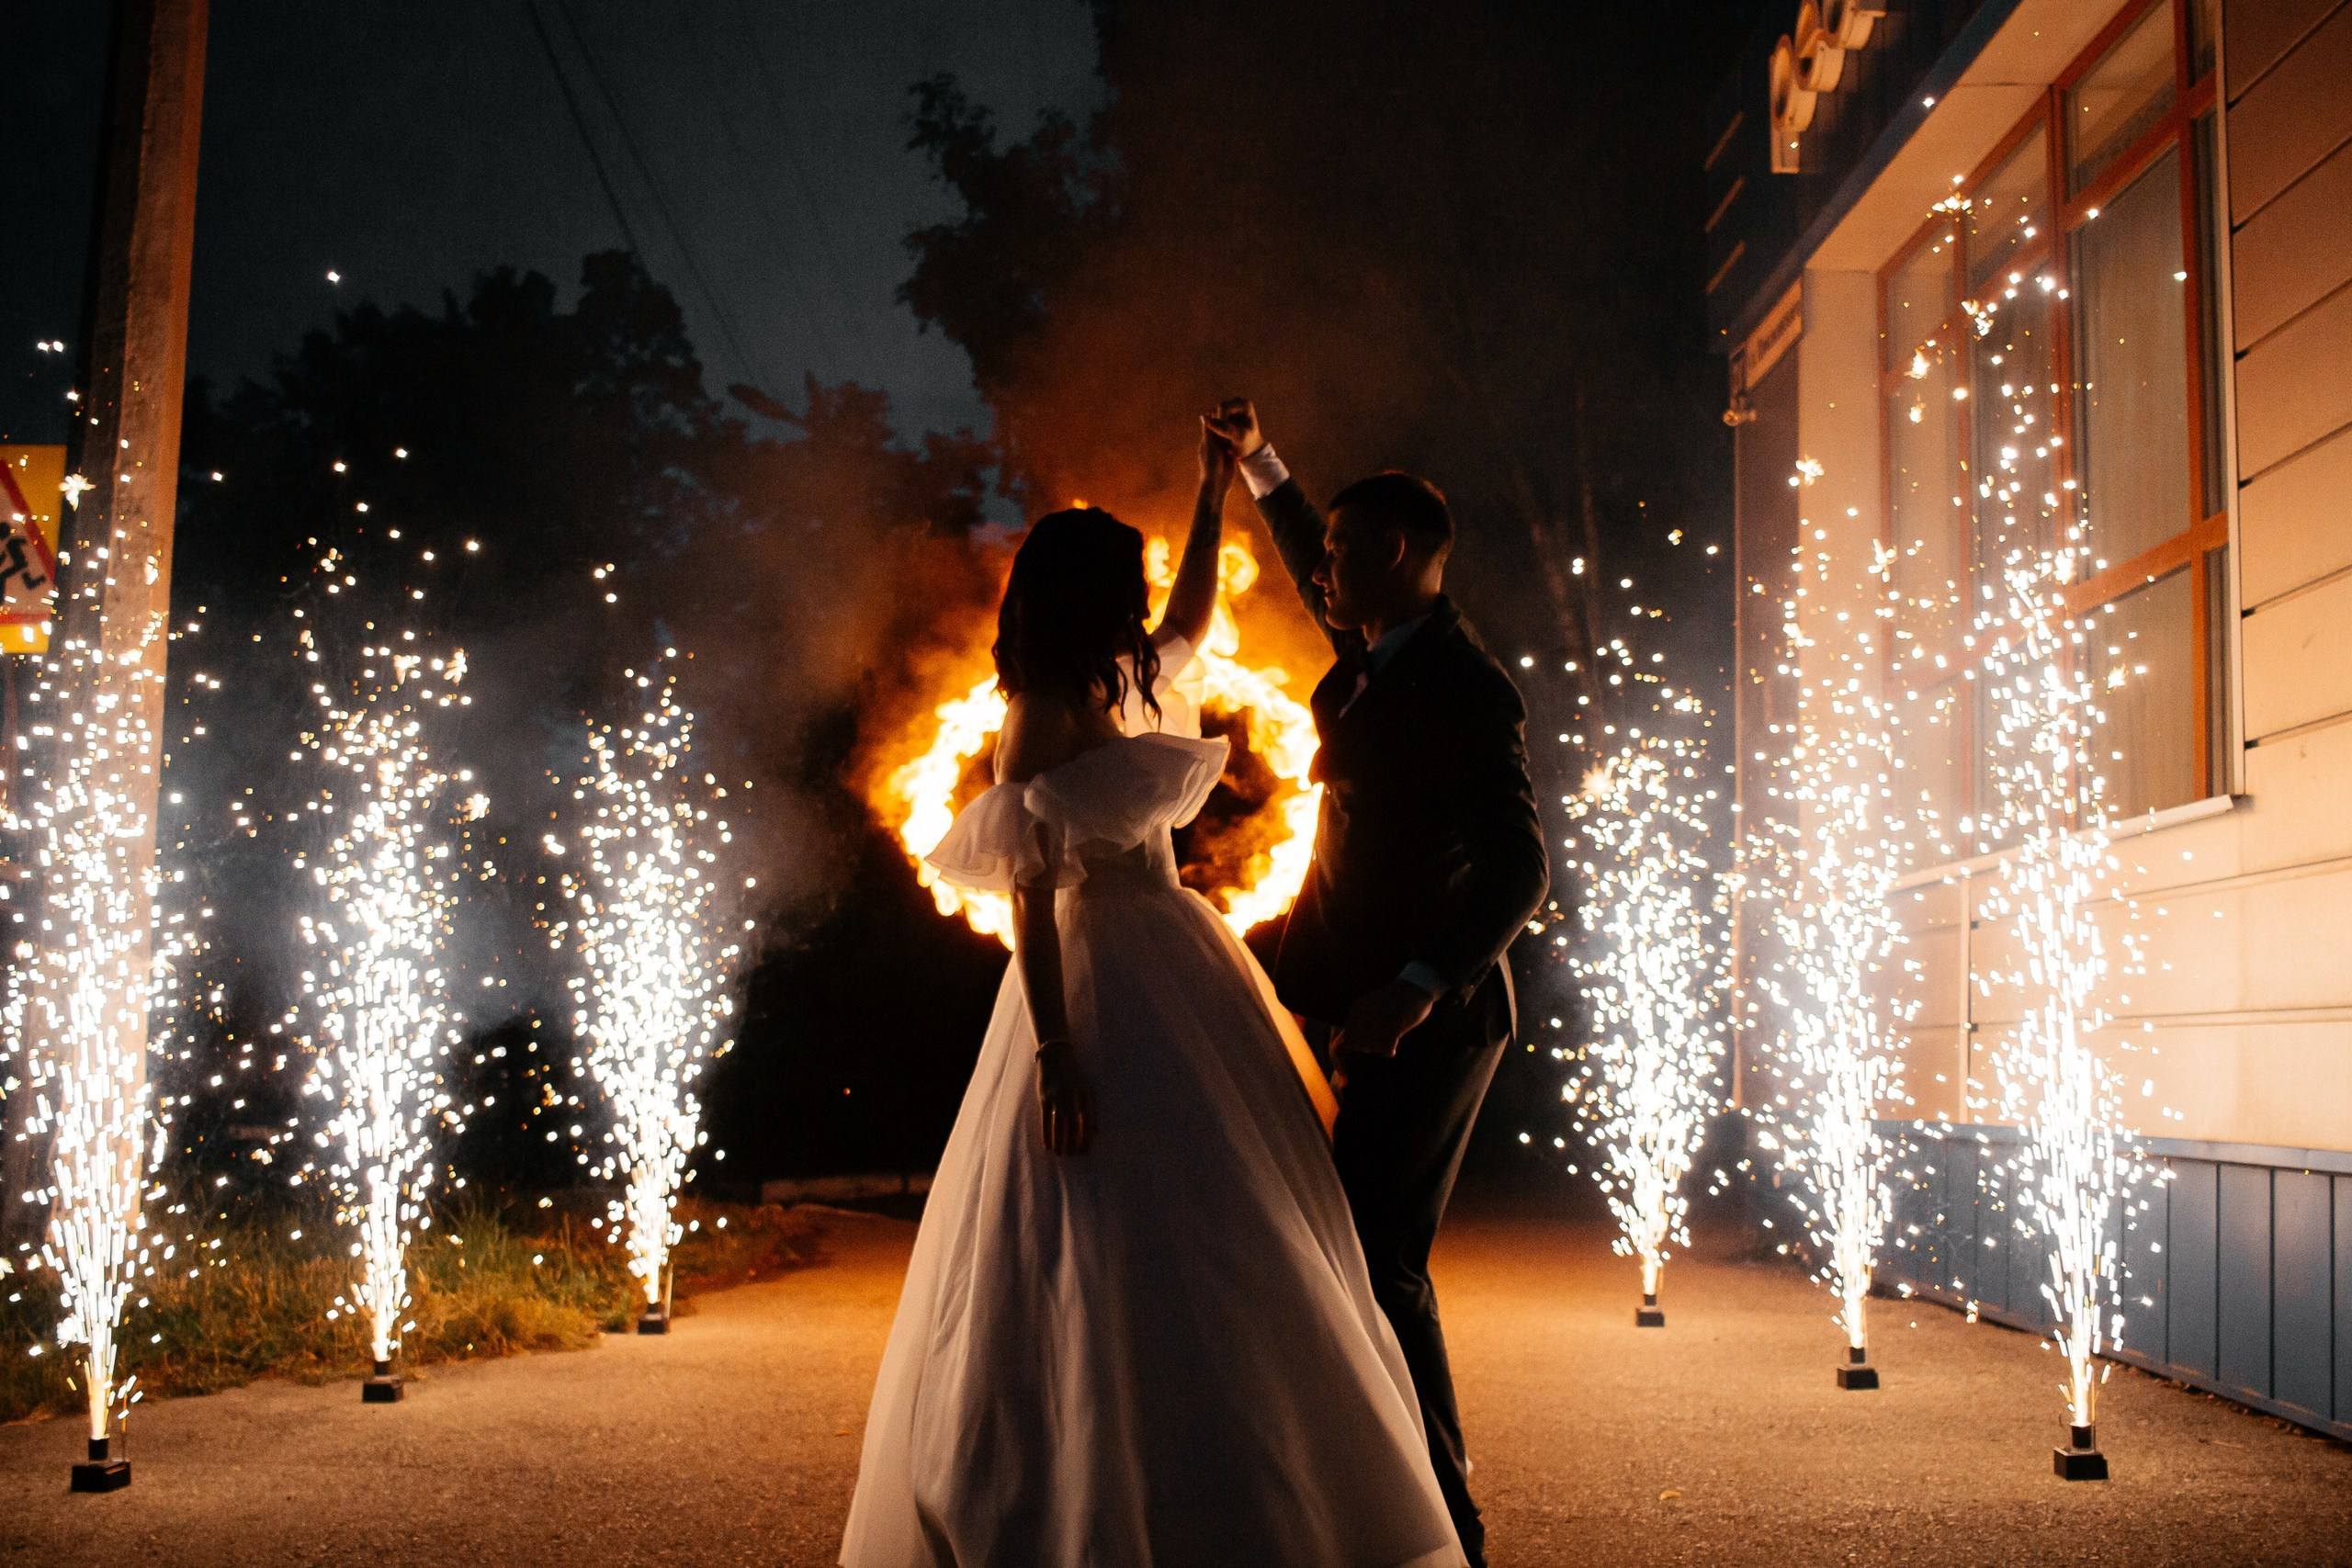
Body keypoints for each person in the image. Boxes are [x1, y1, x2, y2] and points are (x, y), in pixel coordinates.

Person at [839, 423, 1464, 1568]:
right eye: (1122, 580)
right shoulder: (1038, 714)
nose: (1142, 599)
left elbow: (1189, 622)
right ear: (1085, 594)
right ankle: (1085, 1487)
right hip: (1092, 973)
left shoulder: (1122, 679)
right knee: (1100, 1225)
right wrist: (1055, 1047)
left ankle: (1227, 1477)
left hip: (1173, 956)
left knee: (1226, 1215)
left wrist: (1207, 489)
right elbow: (1029, 897)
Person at [1205, 400, 1549, 1568]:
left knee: (1377, 1259)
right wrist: (1262, 462)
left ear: (1398, 555)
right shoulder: (1370, 661)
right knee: (1326, 1249)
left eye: (1345, 554)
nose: (1322, 575)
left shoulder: (1464, 686)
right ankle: (1361, 1501)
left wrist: (1413, 986)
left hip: (1431, 1025)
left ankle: (1447, 1531)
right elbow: (1313, 563)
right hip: (1337, 1006)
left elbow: (1519, 866)